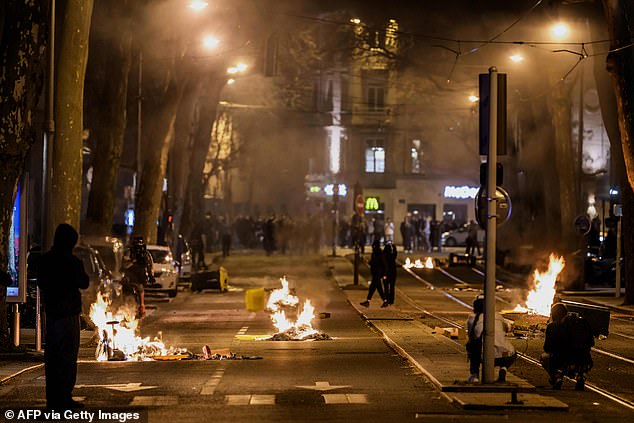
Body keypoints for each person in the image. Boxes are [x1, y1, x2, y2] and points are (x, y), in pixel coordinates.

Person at [37, 224, 89, 410]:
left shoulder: (45, 261)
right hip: (68, 316)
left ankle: (53, 400)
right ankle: (65, 397)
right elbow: (84, 283)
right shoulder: (72, 262)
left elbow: (41, 282)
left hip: (52, 315)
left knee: (53, 359)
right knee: (67, 358)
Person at [541, 302, 594, 390]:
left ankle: (557, 377)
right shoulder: (583, 322)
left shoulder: (552, 326)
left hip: (562, 360)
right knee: (583, 358)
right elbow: (591, 343)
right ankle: (581, 376)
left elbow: (547, 348)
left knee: (544, 357)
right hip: (584, 360)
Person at [466, 295, 516, 383]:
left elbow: (472, 336)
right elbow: (507, 328)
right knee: (513, 352)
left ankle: (475, 375)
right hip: (506, 355)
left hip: (484, 356)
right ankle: (503, 368)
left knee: (471, 347)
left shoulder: (472, 318)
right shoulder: (498, 316)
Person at [360, 240, 388, 308]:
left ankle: (368, 301)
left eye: (373, 246)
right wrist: (367, 262)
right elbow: (372, 262)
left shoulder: (379, 253)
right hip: (375, 273)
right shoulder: (375, 253)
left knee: (372, 288)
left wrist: (384, 274)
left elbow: (383, 264)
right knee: (379, 288)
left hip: (377, 273)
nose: (372, 247)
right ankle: (385, 301)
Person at [383, 241, 398, 305]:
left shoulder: (383, 256)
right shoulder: (392, 256)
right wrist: (394, 246)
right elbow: (395, 253)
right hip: (393, 274)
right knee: (392, 287)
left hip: (385, 274)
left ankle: (386, 299)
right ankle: (391, 300)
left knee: (386, 287)